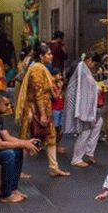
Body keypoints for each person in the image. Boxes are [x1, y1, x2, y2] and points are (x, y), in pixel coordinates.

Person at [15, 44, 71, 177]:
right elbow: (39, 93)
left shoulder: (42, 68)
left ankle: (54, 167)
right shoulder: (37, 69)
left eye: (51, 54)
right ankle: (16, 170)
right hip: (34, 111)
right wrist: (43, 114)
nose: (51, 56)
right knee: (24, 141)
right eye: (48, 54)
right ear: (41, 56)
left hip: (44, 109)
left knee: (51, 137)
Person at [64, 52, 104, 167]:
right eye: (94, 64)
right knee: (85, 130)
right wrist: (98, 87)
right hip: (83, 106)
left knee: (98, 123)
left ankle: (89, 151)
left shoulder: (82, 68)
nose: (94, 67)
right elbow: (87, 87)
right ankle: (76, 158)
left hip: (84, 105)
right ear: (90, 60)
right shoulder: (82, 70)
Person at [51, 72, 66, 154]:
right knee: (55, 129)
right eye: (58, 75)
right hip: (55, 109)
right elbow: (55, 97)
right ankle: (54, 146)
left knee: (60, 129)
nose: (60, 76)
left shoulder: (60, 84)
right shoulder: (52, 85)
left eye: (60, 75)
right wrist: (60, 88)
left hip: (61, 108)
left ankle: (57, 145)